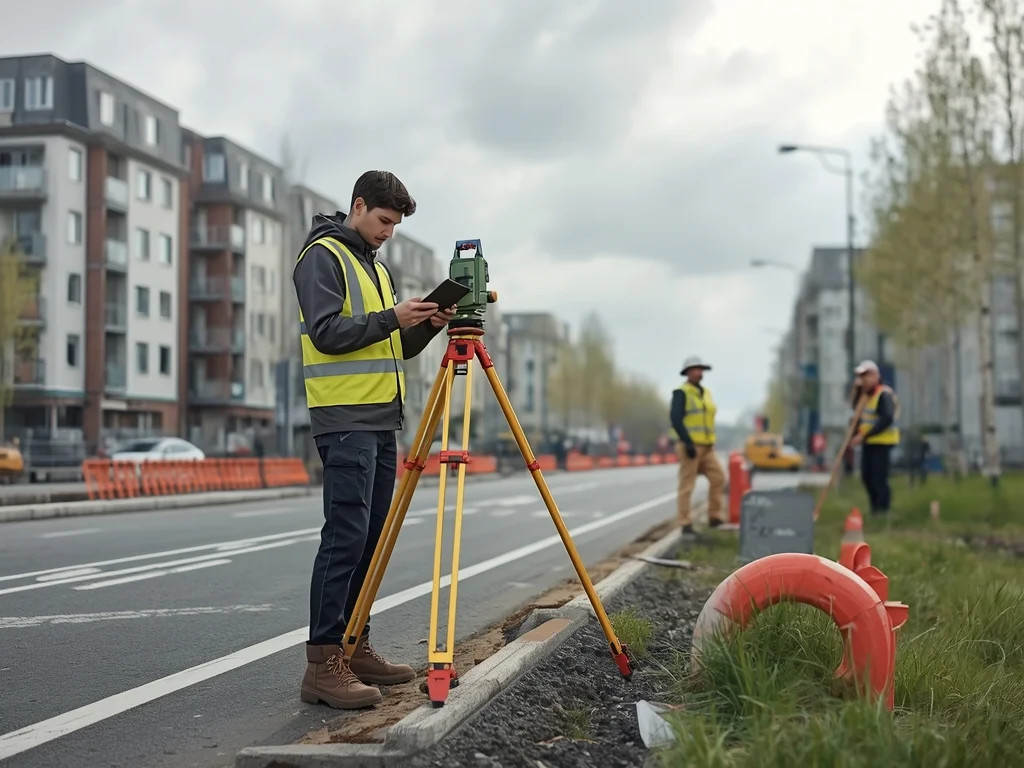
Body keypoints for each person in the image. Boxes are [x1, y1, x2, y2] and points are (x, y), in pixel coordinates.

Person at [293, 170, 457, 710]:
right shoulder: (323, 256)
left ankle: (354, 643)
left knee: (371, 540)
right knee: (344, 536)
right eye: (384, 221)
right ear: (358, 207)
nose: (389, 231)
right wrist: (391, 317)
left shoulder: (373, 266)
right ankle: (323, 665)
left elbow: (397, 347)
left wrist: (428, 323)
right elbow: (327, 332)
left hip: (382, 421)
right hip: (344, 420)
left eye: (395, 225)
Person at [669, 356, 726, 539]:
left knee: (719, 477)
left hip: (707, 446)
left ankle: (714, 516)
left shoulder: (706, 393)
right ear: (687, 372)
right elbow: (676, 419)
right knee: (687, 484)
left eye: (700, 369)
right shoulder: (681, 392)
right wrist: (687, 442)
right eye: (695, 369)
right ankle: (685, 523)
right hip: (690, 445)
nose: (698, 372)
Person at [849, 359, 900, 516]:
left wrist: (863, 435)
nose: (863, 380)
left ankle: (883, 510)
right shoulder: (865, 396)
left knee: (879, 478)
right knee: (866, 477)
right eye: (860, 376)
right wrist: (857, 390)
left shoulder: (883, 394)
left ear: (876, 376)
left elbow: (887, 418)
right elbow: (856, 411)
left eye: (866, 375)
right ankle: (875, 507)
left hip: (883, 442)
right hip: (869, 442)